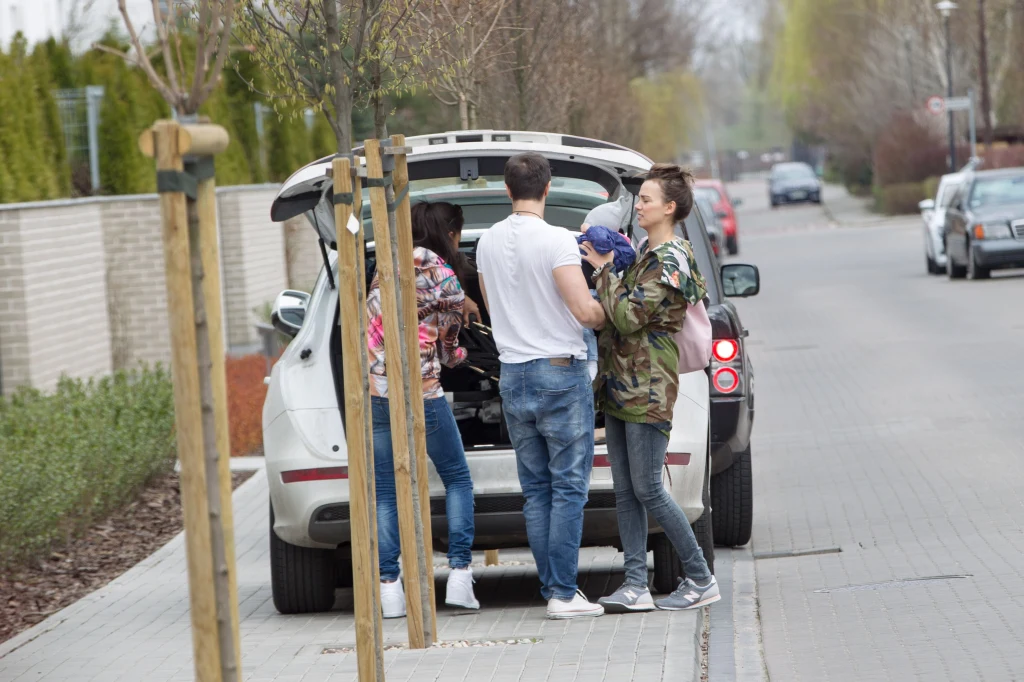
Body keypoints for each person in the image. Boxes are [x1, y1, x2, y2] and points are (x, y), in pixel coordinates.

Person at [581, 164, 721, 612]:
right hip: (624, 383)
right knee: (626, 489)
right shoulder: (645, 249)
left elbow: (627, 317)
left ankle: (700, 577)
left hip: (649, 387)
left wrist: (604, 271)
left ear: (670, 207)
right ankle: (636, 585)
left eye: (646, 200)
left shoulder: (670, 260)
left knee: (648, 488)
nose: (637, 206)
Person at [475, 153, 607, 619]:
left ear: (507, 190)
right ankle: (564, 594)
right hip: (558, 372)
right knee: (570, 486)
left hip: (513, 375)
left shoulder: (487, 242)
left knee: (536, 489)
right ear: (547, 188)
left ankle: (555, 589)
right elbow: (585, 312)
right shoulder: (556, 241)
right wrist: (610, 293)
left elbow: (492, 310)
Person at [367, 200, 479, 618]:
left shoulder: (385, 265)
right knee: (456, 480)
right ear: (450, 234)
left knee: (385, 492)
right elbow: (448, 353)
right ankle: (460, 577)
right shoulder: (445, 278)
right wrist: (464, 345)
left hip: (378, 392)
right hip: (425, 392)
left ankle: (389, 589)